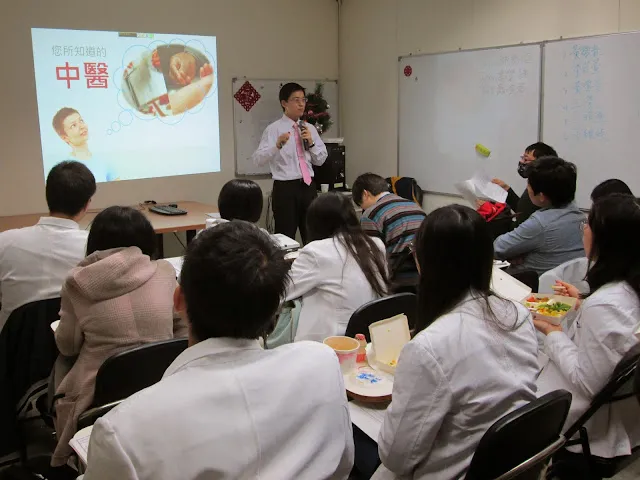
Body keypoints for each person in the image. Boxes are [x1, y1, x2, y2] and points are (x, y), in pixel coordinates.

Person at [81, 221, 354, 480]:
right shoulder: (322, 364)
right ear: (276, 309)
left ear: (178, 300)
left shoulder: (123, 432)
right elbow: (342, 466)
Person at [370, 205, 539, 480]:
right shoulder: (518, 314)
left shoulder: (429, 347)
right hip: (511, 466)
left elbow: (395, 457)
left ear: (425, 262)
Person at [51, 206, 187, 467]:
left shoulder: (76, 282)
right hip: (161, 384)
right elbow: (181, 329)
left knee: (61, 362)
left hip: (98, 396)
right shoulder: (164, 271)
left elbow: (68, 346)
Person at [536, 194, 640, 478]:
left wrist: (552, 332)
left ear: (607, 240)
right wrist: (583, 303)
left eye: (588, 223)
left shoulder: (605, 304)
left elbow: (588, 382)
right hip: (623, 415)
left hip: (581, 421)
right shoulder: (627, 288)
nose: (584, 229)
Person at [0, 161, 95, 331]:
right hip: (75, 343)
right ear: (87, 204)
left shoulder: (4, 242)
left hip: (14, 344)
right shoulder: (95, 247)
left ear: (48, 196)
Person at [284, 193, 388, 342]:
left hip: (331, 342)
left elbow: (283, 291)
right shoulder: (376, 244)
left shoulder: (316, 252)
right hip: (370, 338)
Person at [252, 83, 328, 243]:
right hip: (285, 189)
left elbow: (321, 160)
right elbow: (258, 159)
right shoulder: (273, 130)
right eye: (296, 100)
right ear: (284, 103)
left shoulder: (309, 128)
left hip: (308, 187)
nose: (301, 104)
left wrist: (311, 143)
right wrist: (276, 146)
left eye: (303, 100)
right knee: (285, 238)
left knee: (313, 235)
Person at [494, 156, 585, 275]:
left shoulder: (540, 223)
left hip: (528, 283)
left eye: (529, 184)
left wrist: (519, 252)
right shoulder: (580, 216)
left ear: (541, 196)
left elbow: (497, 248)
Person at [352, 173, 426, 292]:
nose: (363, 209)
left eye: (361, 205)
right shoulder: (415, 206)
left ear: (365, 194)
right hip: (424, 277)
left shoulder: (371, 215)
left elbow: (371, 258)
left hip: (397, 282)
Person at [492, 142, 558, 227]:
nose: (521, 162)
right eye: (522, 158)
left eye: (526, 159)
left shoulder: (540, 190)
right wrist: (507, 189)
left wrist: (496, 216)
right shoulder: (535, 184)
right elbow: (523, 210)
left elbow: (524, 224)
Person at [52, 108, 117, 182]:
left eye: (81, 121)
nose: (82, 126)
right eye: (73, 125)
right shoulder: (65, 169)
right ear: (65, 137)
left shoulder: (104, 160)